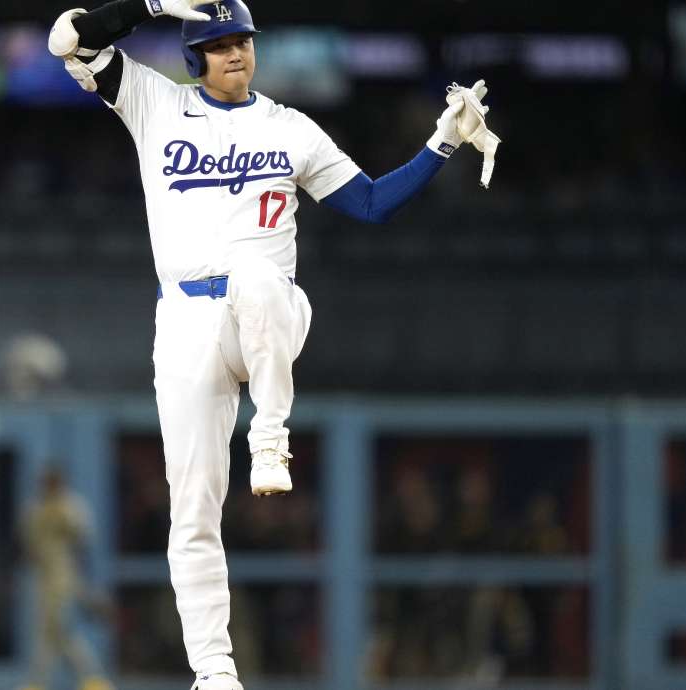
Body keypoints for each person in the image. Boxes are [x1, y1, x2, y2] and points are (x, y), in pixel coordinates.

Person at [47, 2, 499, 688]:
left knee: (257, 274)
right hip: (187, 323)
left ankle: (270, 433)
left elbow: (371, 203)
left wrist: (440, 144)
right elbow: (66, 38)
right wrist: (153, 7)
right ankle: (215, 674)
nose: (236, 54)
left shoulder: (289, 129)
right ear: (196, 53)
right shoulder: (154, 103)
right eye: (220, 43)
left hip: (270, 317)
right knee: (192, 510)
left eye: (243, 42)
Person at [19, 469, 114, 690]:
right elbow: (28, 544)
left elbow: (83, 542)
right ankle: (89, 680)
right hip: (42, 578)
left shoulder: (70, 507)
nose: (49, 488)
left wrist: (87, 586)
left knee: (55, 627)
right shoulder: (35, 508)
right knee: (50, 629)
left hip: (65, 576)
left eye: (53, 484)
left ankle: (90, 678)